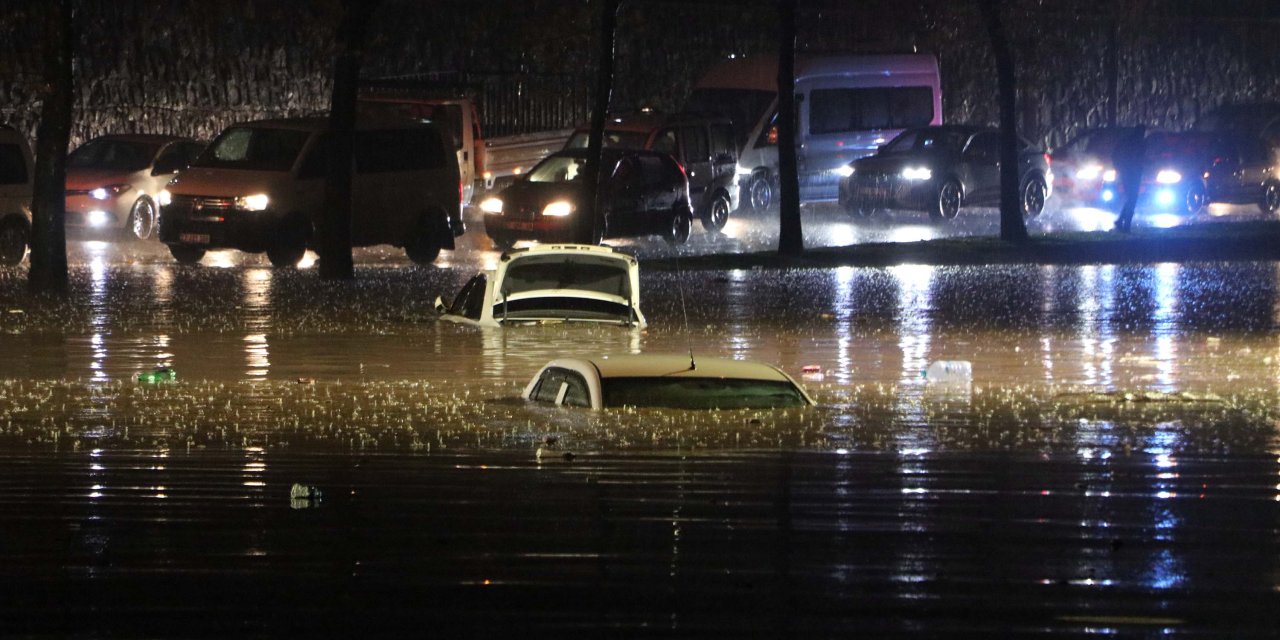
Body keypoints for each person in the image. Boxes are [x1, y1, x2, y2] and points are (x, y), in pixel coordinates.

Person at [1112, 126, 1146, 232]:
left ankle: (1121, 221)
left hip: (1126, 172)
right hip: (1133, 173)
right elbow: (1140, 158)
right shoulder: (1139, 143)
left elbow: (1115, 154)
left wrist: (1119, 167)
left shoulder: (1126, 141)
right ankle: (1125, 225)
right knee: (1132, 198)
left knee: (1130, 198)